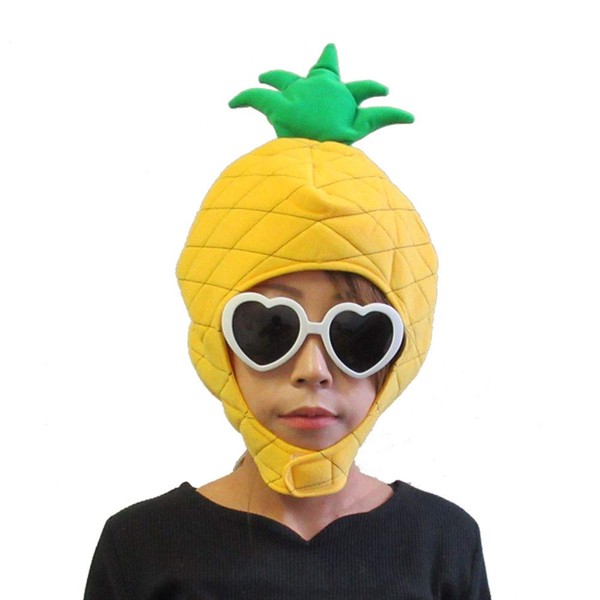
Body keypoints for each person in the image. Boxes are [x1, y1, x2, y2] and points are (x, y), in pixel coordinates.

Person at [84, 44, 491, 599]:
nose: (312, 369)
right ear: (216, 341)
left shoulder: (445, 543)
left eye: (357, 334)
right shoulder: (139, 547)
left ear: (403, 350)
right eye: (272, 326)